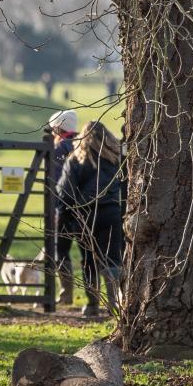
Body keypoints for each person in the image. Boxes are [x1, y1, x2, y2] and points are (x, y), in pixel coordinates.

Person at [56, 121, 124, 317]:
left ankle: (93, 305)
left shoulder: (75, 160)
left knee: (89, 261)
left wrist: (68, 214)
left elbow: (65, 192)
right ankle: (114, 305)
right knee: (112, 260)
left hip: (85, 216)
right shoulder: (115, 158)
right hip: (111, 213)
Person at [47, 109, 79, 306]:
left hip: (65, 207)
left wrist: (54, 208)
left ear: (58, 128)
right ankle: (99, 298)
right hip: (87, 206)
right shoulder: (83, 144)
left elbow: (55, 182)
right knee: (90, 254)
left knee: (61, 250)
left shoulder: (59, 150)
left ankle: (66, 294)